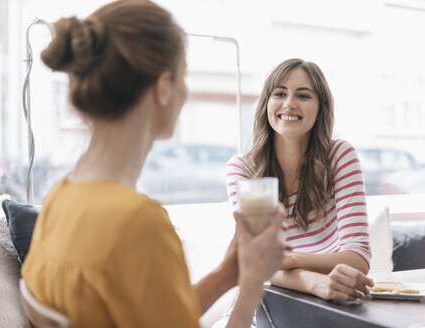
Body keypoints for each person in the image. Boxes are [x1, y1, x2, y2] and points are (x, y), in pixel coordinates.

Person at [21, 1, 287, 327]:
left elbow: (149, 314)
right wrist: (251, 288)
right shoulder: (138, 224)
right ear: (163, 88)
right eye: (184, 76)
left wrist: (227, 275)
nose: (185, 92)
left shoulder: (59, 199)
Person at [226, 58, 374, 302]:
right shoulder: (245, 168)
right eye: (280, 93)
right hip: (266, 304)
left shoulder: (340, 157)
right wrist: (316, 283)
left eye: (303, 96)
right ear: (266, 104)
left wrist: (292, 260)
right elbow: (259, 261)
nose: (289, 104)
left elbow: (358, 258)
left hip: (331, 306)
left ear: (320, 109)